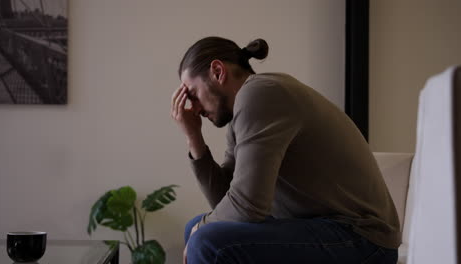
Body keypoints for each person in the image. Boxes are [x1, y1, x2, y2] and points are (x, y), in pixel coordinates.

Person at [171, 36, 400, 264]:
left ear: (218, 71)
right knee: (198, 230)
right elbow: (227, 204)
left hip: (364, 238)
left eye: (193, 95)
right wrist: (194, 138)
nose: (194, 108)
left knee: (206, 240)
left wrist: (202, 229)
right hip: (325, 229)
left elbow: (248, 207)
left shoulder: (260, 94)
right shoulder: (244, 111)